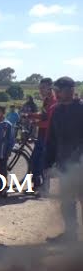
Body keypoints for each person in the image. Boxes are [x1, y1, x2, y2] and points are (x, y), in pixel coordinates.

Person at [45, 77, 83, 243]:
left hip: (80, 164)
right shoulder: (57, 111)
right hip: (64, 163)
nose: (56, 93)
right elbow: (52, 139)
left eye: (58, 90)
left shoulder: (81, 109)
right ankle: (71, 235)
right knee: (67, 201)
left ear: (69, 90)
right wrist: (48, 163)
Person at [27, 78, 57, 195]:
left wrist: (36, 123)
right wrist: (30, 115)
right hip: (41, 135)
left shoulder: (53, 101)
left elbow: (50, 121)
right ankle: (37, 185)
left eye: (42, 88)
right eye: (40, 88)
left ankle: (45, 189)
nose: (40, 90)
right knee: (34, 161)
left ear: (50, 87)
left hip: (48, 136)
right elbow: (43, 115)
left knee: (43, 163)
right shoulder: (46, 100)